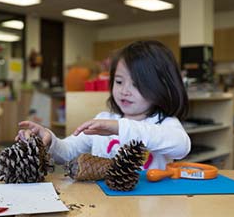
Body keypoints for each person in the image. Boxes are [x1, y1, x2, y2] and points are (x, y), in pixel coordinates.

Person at [18, 40, 190, 170]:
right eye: (119, 81)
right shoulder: (103, 120)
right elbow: (67, 151)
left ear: (160, 86)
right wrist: (48, 140)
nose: (124, 91)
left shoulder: (164, 123)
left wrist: (119, 128)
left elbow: (181, 146)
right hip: (104, 206)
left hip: (152, 210)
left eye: (137, 84)